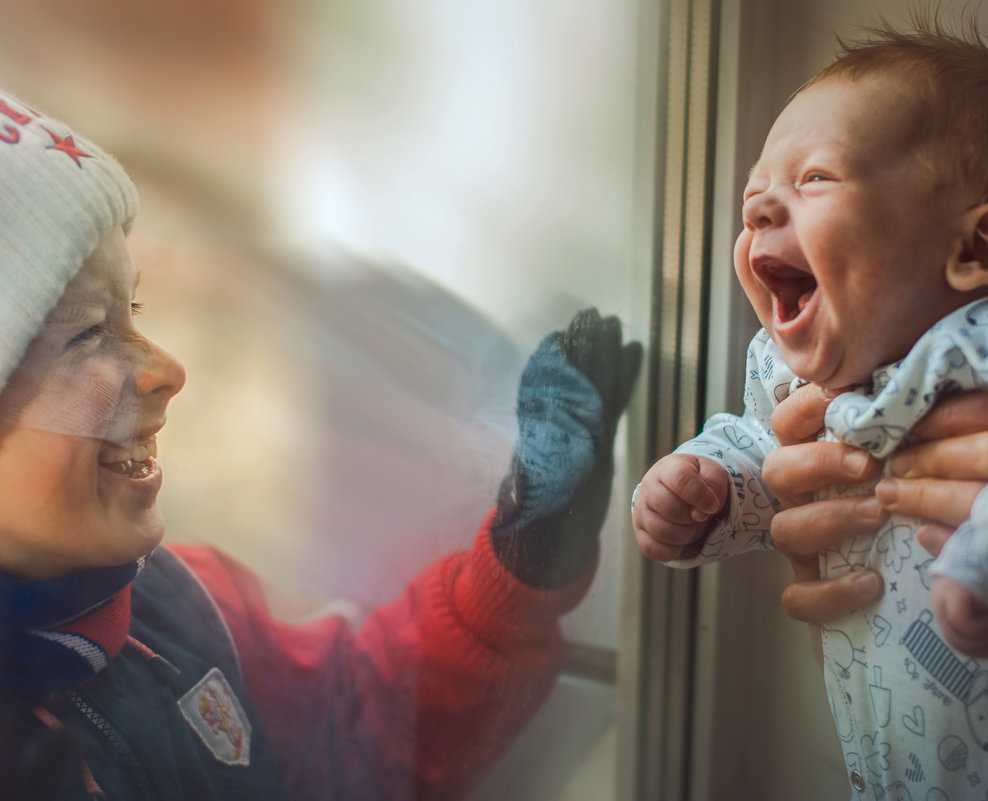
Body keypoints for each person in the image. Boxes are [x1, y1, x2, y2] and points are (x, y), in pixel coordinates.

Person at [0, 88, 642, 801]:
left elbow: (345, 734)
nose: (166, 369)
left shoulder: (180, 601)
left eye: (135, 312)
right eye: (88, 333)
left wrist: (518, 567)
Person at [631, 19, 988, 800]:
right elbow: (769, 462)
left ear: (975, 248)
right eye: (756, 196)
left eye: (814, 179)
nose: (757, 212)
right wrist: (708, 491)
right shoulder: (791, 374)